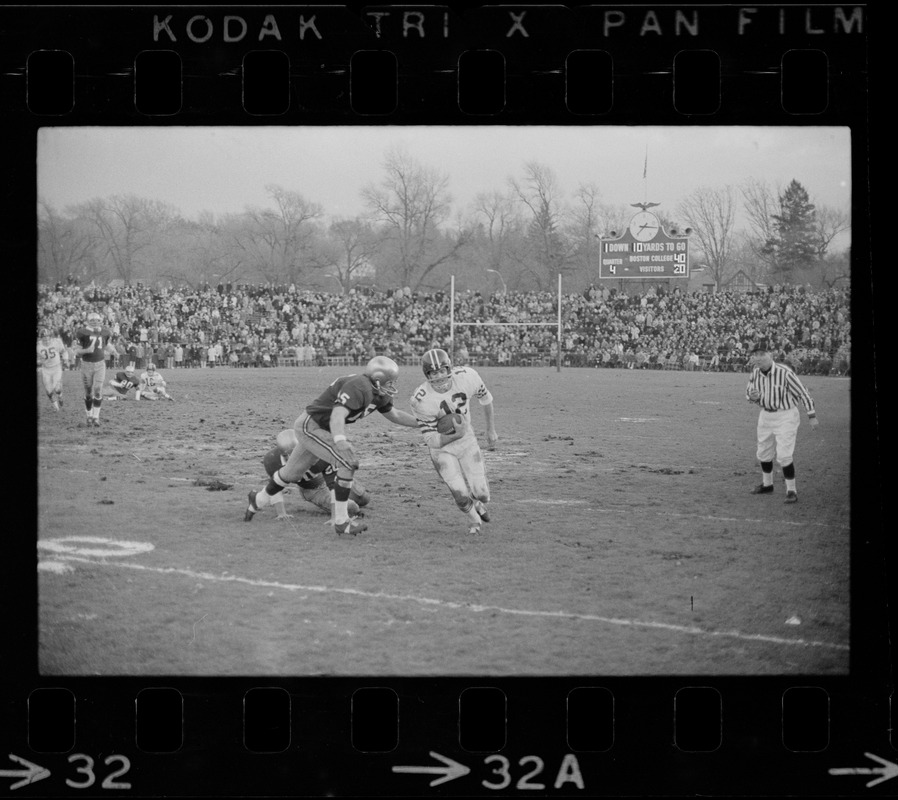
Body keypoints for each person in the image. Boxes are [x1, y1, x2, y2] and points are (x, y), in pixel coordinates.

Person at [244, 356, 419, 536]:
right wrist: (340, 440)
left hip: (322, 427)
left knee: (291, 473)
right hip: (311, 425)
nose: (392, 386)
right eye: (389, 382)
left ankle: (257, 499)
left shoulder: (377, 393)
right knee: (347, 462)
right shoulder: (360, 387)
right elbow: (337, 415)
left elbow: (395, 415)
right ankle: (341, 522)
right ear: (377, 380)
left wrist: (423, 423)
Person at [409, 348, 499, 534]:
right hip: (442, 448)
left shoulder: (468, 376)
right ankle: (475, 522)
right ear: (427, 374)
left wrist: (490, 429)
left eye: (442, 370)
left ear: (449, 368)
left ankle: (479, 503)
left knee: (483, 494)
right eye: (434, 372)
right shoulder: (421, 399)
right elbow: (430, 439)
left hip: (466, 440)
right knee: (459, 493)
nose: (440, 376)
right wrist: (454, 435)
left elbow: (486, 399)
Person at [745, 344, 818, 503]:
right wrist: (753, 396)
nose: (758, 358)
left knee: (784, 454)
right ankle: (767, 485)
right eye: (755, 355)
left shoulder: (785, 373)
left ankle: (791, 490)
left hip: (786, 415)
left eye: (761, 354)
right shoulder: (755, 373)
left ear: (770, 355)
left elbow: (802, 393)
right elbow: (749, 394)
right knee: (763, 451)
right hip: (765, 415)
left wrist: (811, 415)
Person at [261, 429, 370, 520]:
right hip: (314, 489)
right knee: (352, 508)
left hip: (332, 479)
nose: (291, 458)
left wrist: (334, 517)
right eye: (286, 456)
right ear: (281, 453)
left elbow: (332, 484)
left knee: (364, 498)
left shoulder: (318, 451)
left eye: (295, 453)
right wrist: (281, 513)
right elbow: (276, 488)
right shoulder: (272, 460)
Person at [73, 311, 114, 427]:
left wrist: (113, 351)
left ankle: (96, 417)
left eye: (97, 320)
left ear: (101, 321)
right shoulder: (82, 332)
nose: (95, 322)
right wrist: (87, 350)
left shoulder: (105, 332)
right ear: (87, 321)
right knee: (88, 393)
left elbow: (105, 345)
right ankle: (89, 416)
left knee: (97, 389)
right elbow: (77, 351)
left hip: (100, 364)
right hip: (86, 365)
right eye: (92, 320)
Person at [37, 327, 65, 411]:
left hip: (56, 367)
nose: (46, 339)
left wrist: (65, 359)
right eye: (44, 337)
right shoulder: (38, 345)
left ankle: (60, 397)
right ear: (41, 338)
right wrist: (38, 362)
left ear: (50, 337)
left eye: (47, 337)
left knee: (57, 389)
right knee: (49, 391)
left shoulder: (56, 342)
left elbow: (63, 351)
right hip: (46, 369)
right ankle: (56, 407)